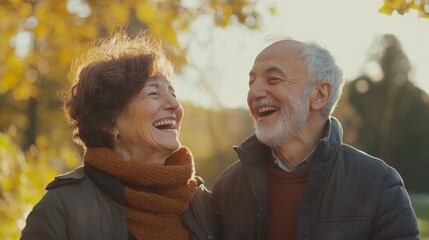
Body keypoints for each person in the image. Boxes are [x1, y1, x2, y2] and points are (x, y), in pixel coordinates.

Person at [212, 38, 419, 239]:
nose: (253, 92)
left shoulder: (378, 184)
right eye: (251, 82)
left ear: (320, 94)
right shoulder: (227, 188)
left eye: (273, 79)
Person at [21, 31, 216, 240]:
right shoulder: (62, 208)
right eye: (153, 93)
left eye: (173, 93)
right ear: (109, 122)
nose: (175, 105)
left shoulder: (203, 203)